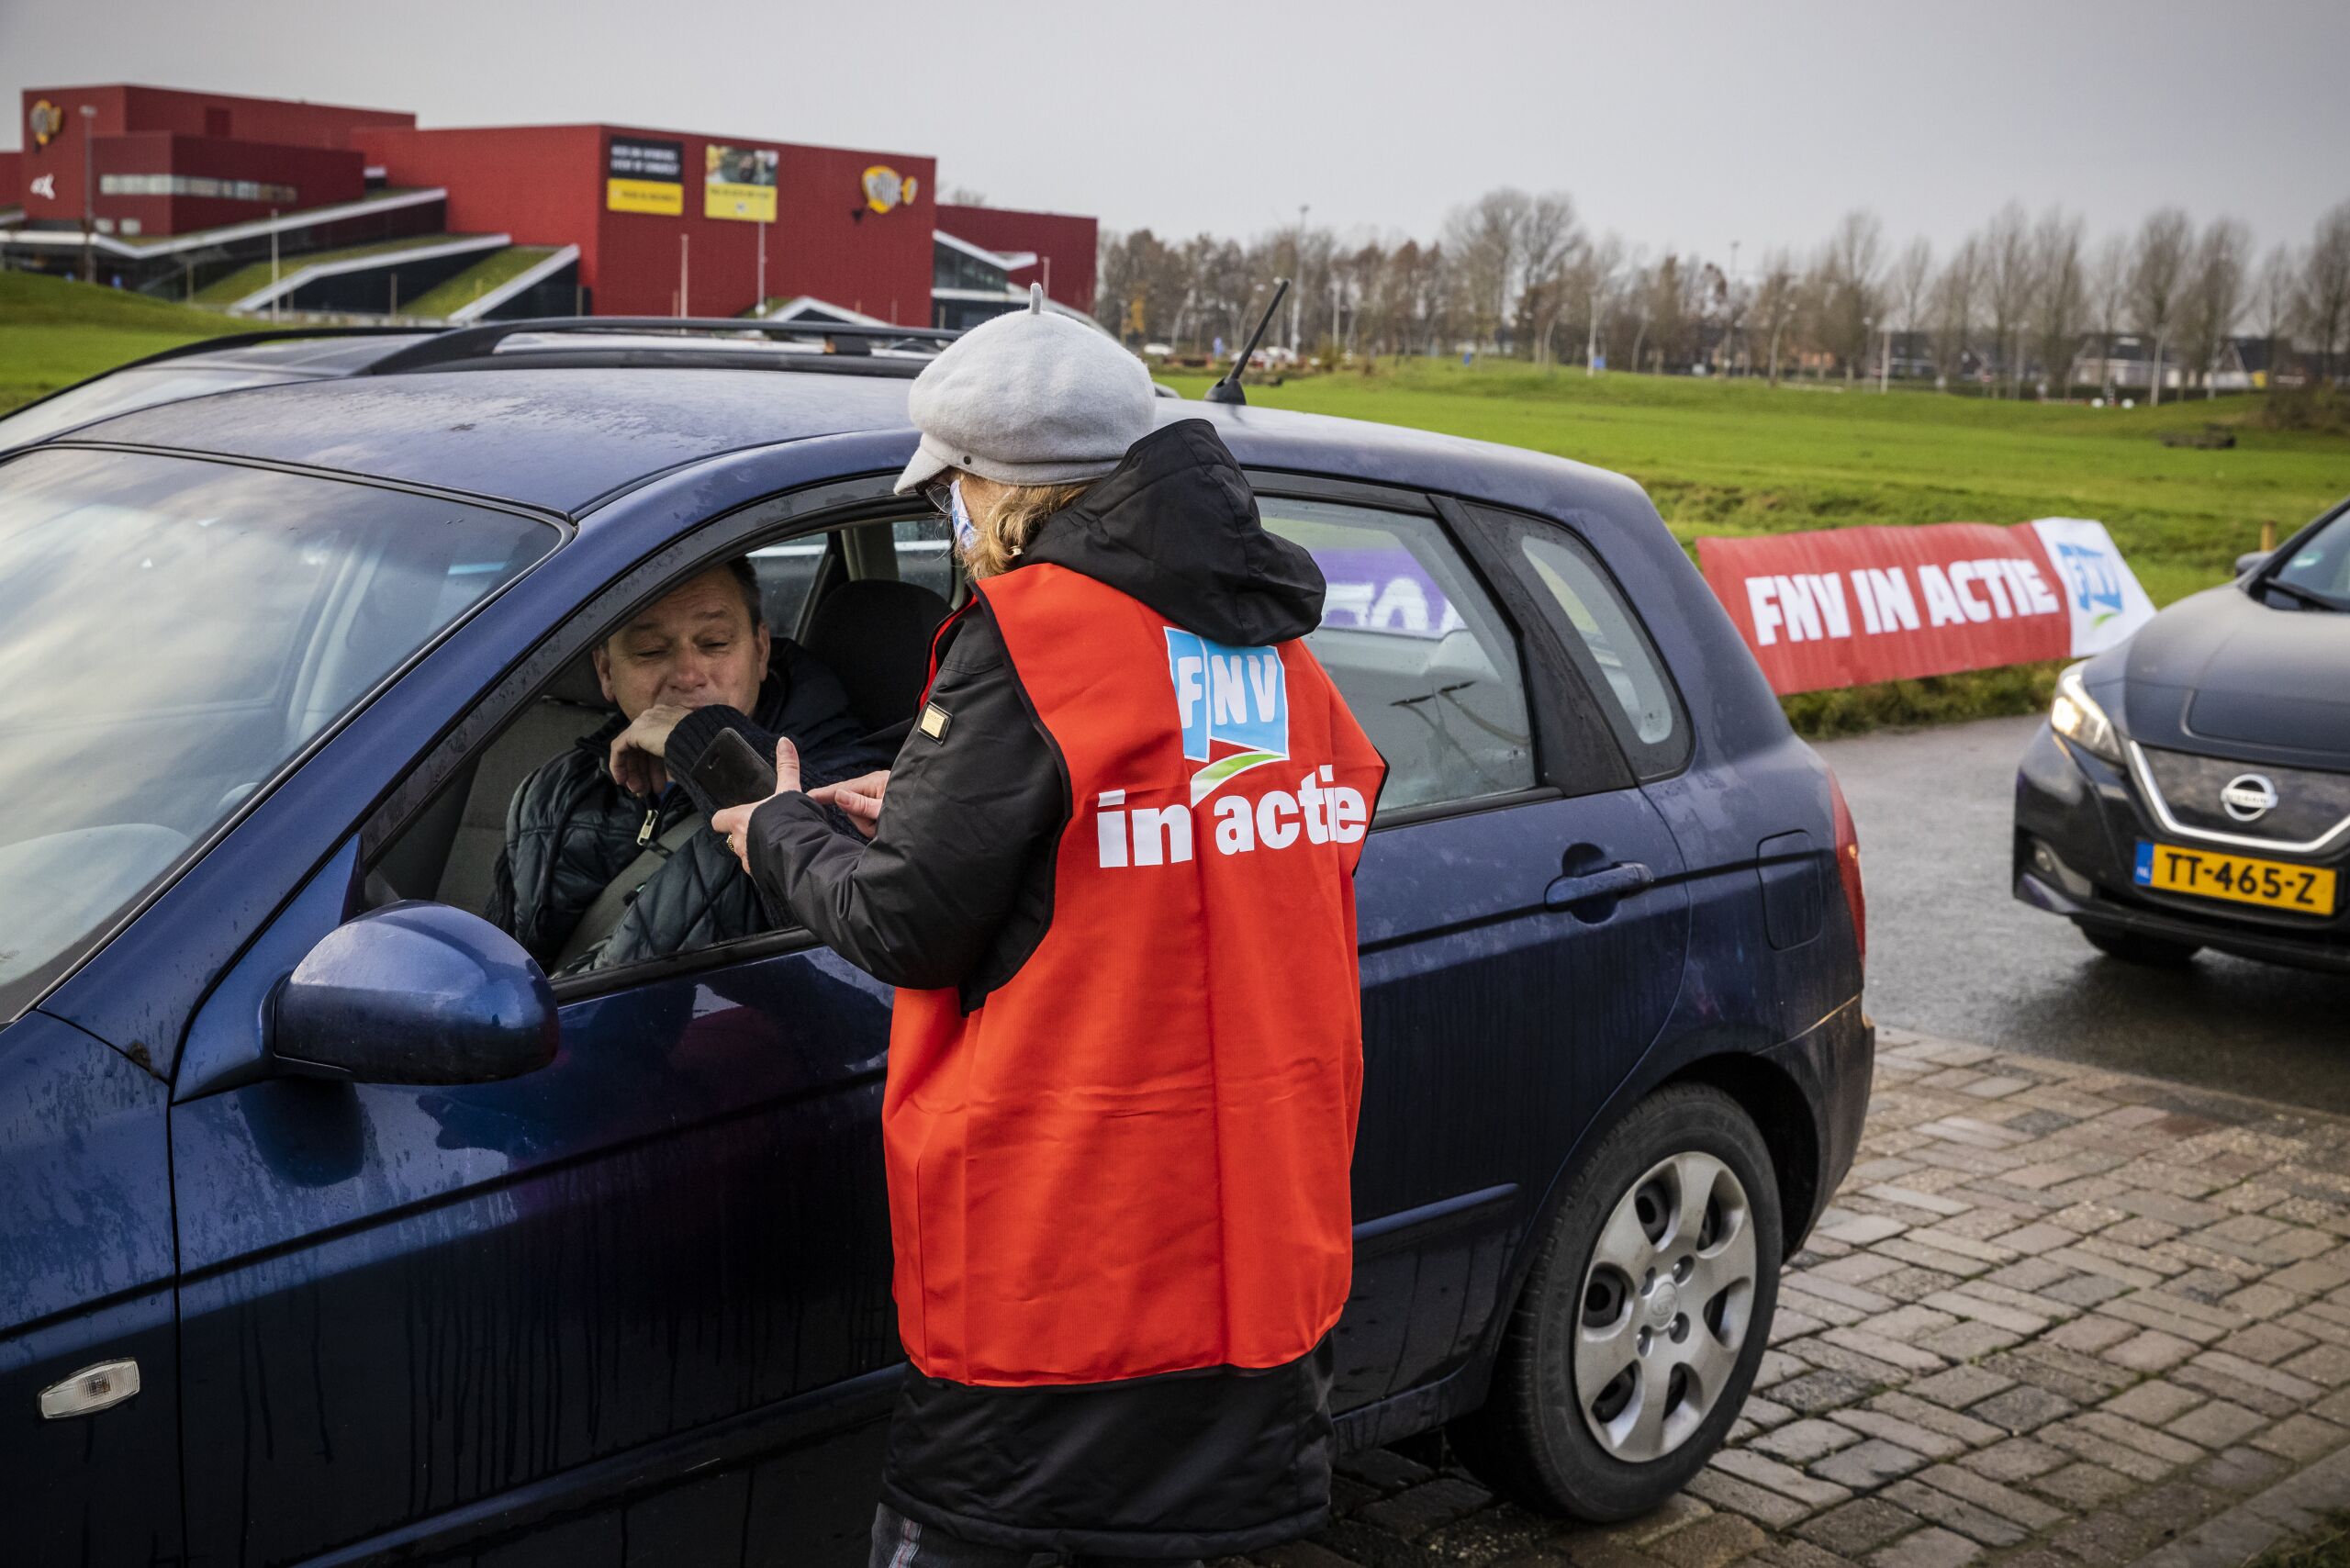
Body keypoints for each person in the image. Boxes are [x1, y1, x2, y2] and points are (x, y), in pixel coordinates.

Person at [712, 287, 1386, 1566]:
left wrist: (777, 828)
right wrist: (944, 806)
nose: (953, 522)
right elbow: (1173, 855)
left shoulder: (1036, 635)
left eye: (952, 493)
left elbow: (909, 927)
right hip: (1250, 1259)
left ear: (1001, 490)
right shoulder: (1256, 642)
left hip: (1066, 1270)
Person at [486, 558, 887, 973]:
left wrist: (701, 740)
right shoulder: (556, 792)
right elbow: (496, 973)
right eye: (651, 651)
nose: (688, 674)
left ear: (761, 650)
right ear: (606, 670)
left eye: (713, 642)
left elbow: (865, 936)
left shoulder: (850, 776)